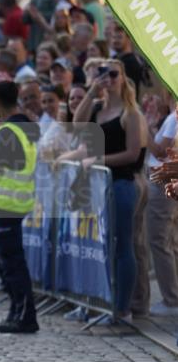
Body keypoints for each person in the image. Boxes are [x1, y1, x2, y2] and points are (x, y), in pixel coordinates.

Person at [72, 62, 147, 320]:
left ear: (123, 78)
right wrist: (92, 92)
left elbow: (133, 153)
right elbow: (77, 123)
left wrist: (99, 160)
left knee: (123, 244)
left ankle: (122, 308)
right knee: (102, 245)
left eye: (114, 73)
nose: (109, 79)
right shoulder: (97, 108)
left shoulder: (131, 114)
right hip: (98, 186)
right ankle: (107, 304)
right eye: (104, 74)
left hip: (122, 184)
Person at [0, 80, 40, 333]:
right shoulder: (23, 126)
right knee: (10, 263)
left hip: (7, 204)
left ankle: (25, 315)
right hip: (14, 202)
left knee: (13, 264)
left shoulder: (7, 131)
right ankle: (17, 312)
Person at [144, 98, 178, 314]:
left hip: (163, 179)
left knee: (159, 240)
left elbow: (160, 152)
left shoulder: (175, 118)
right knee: (170, 241)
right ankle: (172, 296)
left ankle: (171, 299)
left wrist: (142, 128)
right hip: (164, 178)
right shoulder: (172, 117)